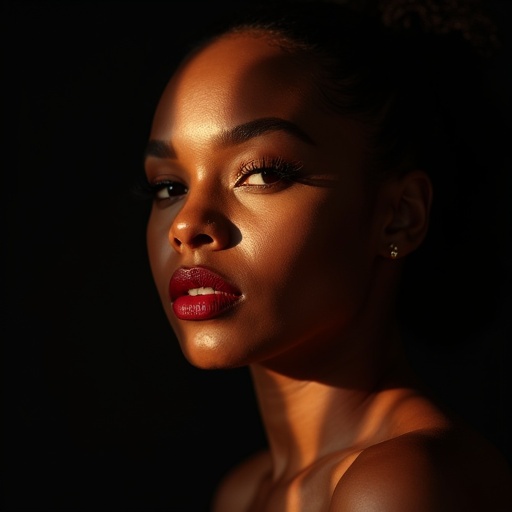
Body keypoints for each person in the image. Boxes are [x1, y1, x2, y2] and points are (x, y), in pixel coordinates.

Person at [139, 0, 512, 510]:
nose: (186, 225)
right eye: (168, 187)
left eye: (263, 174)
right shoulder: (243, 493)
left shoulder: (400, 484)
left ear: (399, 215)